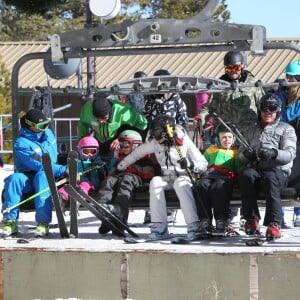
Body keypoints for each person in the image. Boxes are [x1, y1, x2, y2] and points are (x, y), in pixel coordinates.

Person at [117, 115, 208, 240]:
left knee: (180, 184)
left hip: (185, 176)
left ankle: (193, 226)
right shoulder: (155, 143)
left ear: (166, 133)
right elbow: (137, 153)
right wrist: (122, 164)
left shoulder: (183, 141)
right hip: (167, 177)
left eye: (158, 136)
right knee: (155, 181)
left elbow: (203, 164)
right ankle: (159, 226)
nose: (156, 139)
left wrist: (190, 164)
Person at [238, 93, 297, 240]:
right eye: (264, 109)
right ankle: (251, 220)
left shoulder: (286, 129)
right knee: (247, 176)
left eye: (272, 108)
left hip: (278, 171)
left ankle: (274, 223)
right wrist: (247, 155)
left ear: (277, 110)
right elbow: (239, 155)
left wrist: (273, 153)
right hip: (257, 169)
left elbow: (290, 154)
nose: (268, 112)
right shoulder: (251, 130)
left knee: (270, 178)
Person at [1, 109, 67, 237]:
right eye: (41, 126)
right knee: (14, 179)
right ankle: (10, 221)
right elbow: (41, 164)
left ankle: (43, 223)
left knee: (43, 176)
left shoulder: (48, 133)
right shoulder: (21, 144)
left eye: (46, 124)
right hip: (29, 177)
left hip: (49, 175)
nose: (45, 128)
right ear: (30, 126)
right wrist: (63, 169)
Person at [142, 69, 189, 223]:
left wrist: (180, 137)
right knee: (156, 172)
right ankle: (153, 208)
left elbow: (183, 119)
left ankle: (171, 207)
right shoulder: (150, 99)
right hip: (156, 141)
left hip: (172, 141)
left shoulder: (176, 98)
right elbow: (145, 119)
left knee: (172, 172)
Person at [95, 130, 155, 234]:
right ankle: (104, 211)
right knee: (109, 181)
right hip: (120, 178)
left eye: (125, 145)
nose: (122, 148)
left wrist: (147, 182)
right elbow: (112, 172)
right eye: (120, 145)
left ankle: (119, 217)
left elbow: (148, 172)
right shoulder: (120, 158)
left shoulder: (143, 158)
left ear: (136, 145)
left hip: (135, 180)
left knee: (125, 183)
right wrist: (111, 170)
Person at [194, 123, 246, 236]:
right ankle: (204, 220)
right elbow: (202, 163)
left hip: (224, 176)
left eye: (229, 137)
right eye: (223, 137)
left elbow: (240, 168)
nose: (226, 140)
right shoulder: (210, 150)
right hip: (209, 174)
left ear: (234, 138)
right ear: (218, 138)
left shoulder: (235, 152)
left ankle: (221, 219)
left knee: (218, 187)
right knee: (200, 185)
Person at [199, 51, 265, 135]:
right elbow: (209, 107)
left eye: (236, 68)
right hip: (228, 134)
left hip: (249, 132)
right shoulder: (220, 85)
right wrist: (201, 118)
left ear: (242, 66)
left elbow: (262, 106)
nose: (232, 71)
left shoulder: (252, 84)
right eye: (229, 68)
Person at [78, 95, 148, 162]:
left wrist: (122, 138)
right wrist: (82, 140)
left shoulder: (122, 111)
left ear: (110, 112)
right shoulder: (87, 108)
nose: (101, 121)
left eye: (104, 118)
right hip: (99, 141)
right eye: (97, 119)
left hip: (117, 140)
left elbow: (143, 124)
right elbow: (82, 124)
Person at [57, 136, 117, 207]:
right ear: (80, 151)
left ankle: (78, 198)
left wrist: (115, 157)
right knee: (69, 187)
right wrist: (68, 171)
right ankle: (61, 197)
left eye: (93, 152)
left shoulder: (100, 163)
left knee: (85, 184)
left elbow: (110, 168)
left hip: (93, 187)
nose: (89, 155)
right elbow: (64, 169)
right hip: (76, 183)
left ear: (97, 151)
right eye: (86, 152)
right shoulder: (76, 162)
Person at [275, 61, 300, 226]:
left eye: (293, 78)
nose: (290, 81)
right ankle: (280, 214)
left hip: (299, 140)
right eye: (288, 77)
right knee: (279, 175)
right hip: (282, 140)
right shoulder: (280, 96)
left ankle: (298, 213)